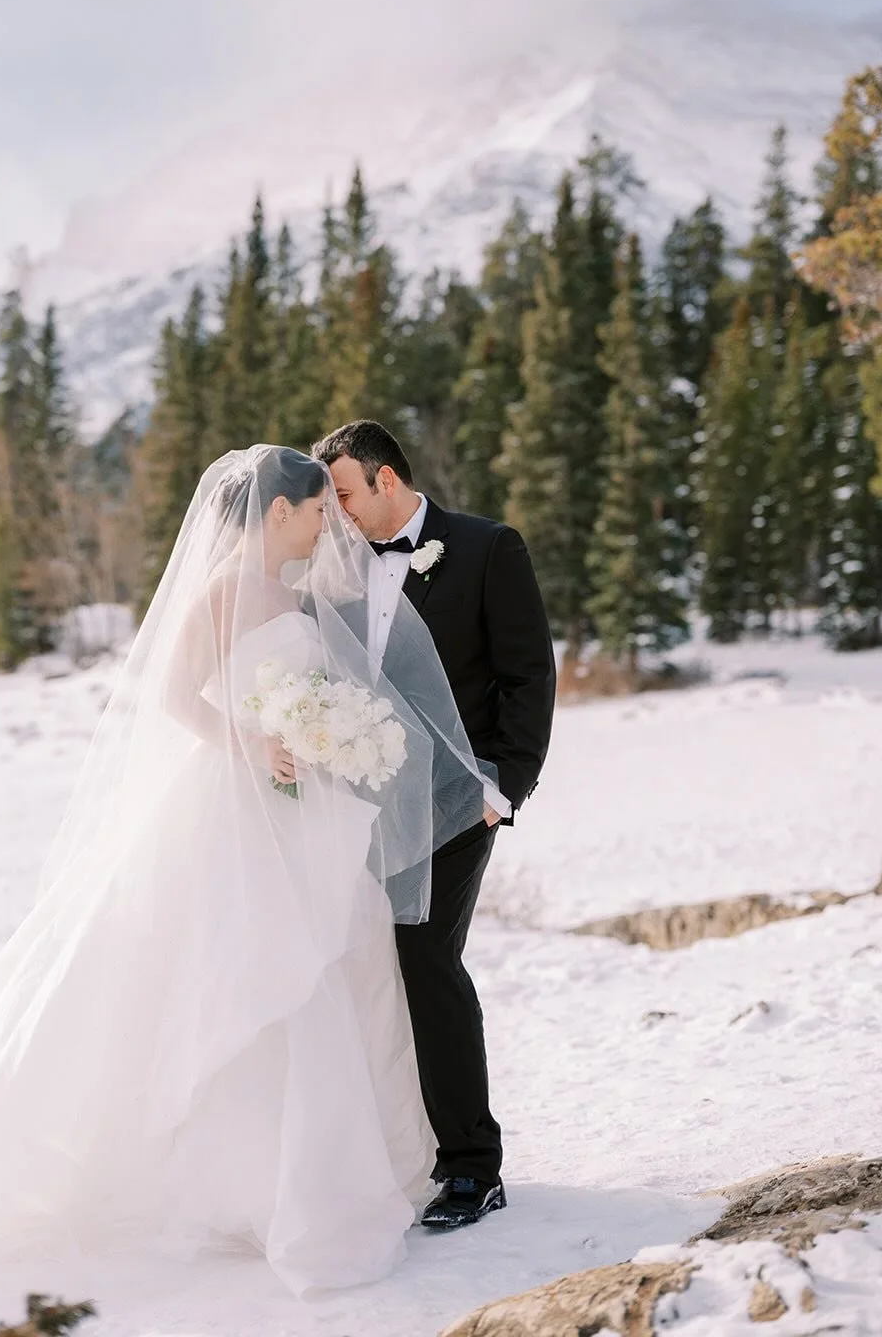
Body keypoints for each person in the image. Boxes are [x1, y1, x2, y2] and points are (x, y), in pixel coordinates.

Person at [0, 445, 499, 1295]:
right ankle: (241, 1185)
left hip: (302, 811)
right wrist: (252, 742)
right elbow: (174, 696)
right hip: (231, 803)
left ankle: (345, 1170)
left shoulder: (296, 594)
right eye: (318, 509)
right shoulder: (222, 591)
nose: (330, 522)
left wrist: (327, 738)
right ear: (278, 511)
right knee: (250, 974)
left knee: (337, 960)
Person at [312, 419, 555, 1230]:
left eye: (343, 494)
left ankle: (470, 1167)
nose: (337, 513)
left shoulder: (488, 548)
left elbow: (528, 674)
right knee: (355, 964)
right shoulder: (335, 571)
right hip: (356, 804)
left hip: (456, 801)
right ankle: (382, 1155)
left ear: (385, 480)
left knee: (425, 957)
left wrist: (504, 783)